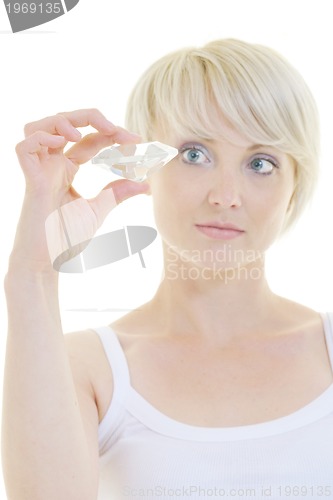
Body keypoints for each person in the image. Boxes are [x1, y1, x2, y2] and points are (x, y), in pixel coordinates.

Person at [2, 38, 333, 500]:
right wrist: (33, 272)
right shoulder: (89, 370)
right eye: (195, 154)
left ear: (295, 186)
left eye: (261, 163)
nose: (226, 195)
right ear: (144, 168)